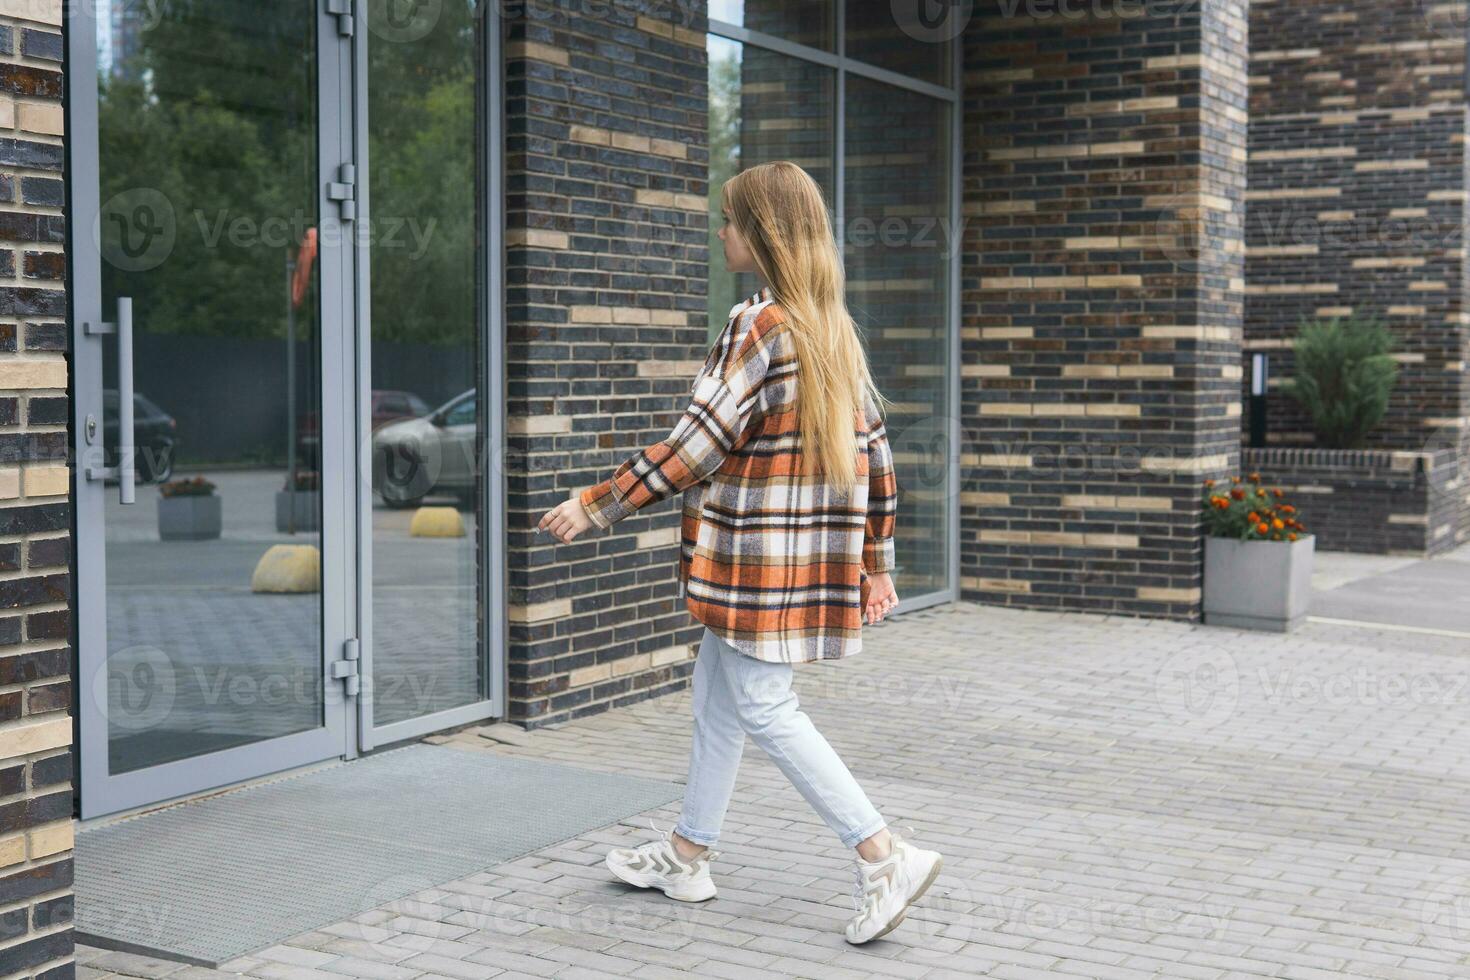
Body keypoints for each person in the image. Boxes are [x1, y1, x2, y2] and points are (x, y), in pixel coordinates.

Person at [536, 160, 941, 945]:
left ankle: (883, 855)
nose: (719, 230)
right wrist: (876, 563)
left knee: (762, 707)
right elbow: (878, 458)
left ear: (763, 232)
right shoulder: (832, 330)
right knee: (717, 698)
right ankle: (688, 855)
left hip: (754, 567)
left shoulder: (758, 324)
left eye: (730, 218)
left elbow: (697, 445)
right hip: (793, 571)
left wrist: (597, 504)